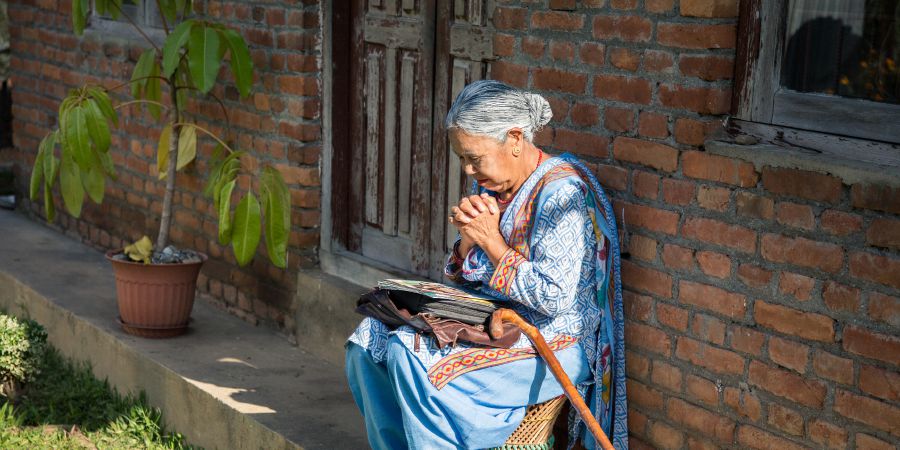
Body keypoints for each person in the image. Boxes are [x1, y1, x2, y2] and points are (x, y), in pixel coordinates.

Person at [346, 80, 627, 449]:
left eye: (473, 158)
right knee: (368, 343)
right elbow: (465, 279)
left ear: (514, 139)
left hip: (553, 339)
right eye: (461, 158)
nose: (466, 170)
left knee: (409, 356)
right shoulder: (491, 187)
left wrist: (492, 241)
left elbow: (554, 297)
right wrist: (466, 241)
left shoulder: (563, 192)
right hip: (491, 322)